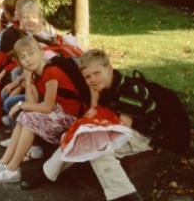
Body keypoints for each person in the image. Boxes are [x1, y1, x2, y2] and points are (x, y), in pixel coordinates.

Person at [37, 49, 159, 200]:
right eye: (87, 77)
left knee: (96, 147)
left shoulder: (130, 89)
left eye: (97, 73)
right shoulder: (103, 88)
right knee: (79, 137)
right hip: (119, 130)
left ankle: (126, 197)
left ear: (109, 69)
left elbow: (123, 126)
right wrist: (94, 97)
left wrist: (93, 133)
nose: (93, 79)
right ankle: (46, 173)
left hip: (141, 136)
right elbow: (93, 117)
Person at [0, 37, 83, 184]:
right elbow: (32, 102)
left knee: (27, 116)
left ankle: (13, 168)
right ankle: (4, 162)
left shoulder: (52, 71)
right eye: (23, 57)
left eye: (31, 54)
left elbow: (47, 107)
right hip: (56, 115)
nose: (28, 59)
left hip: (69, 117)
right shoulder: (35, 74)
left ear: (41, 52)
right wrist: (28, 81)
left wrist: (20, 105)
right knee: (25, 115)